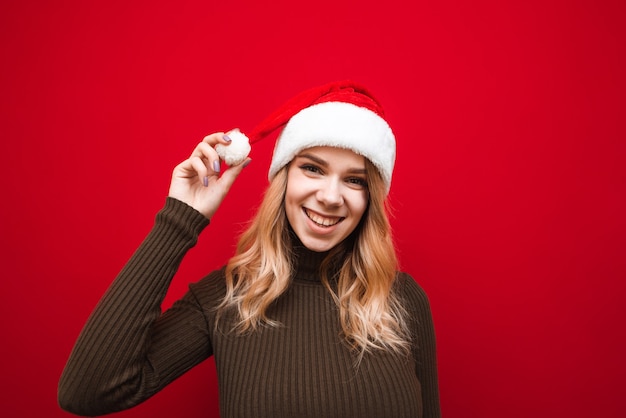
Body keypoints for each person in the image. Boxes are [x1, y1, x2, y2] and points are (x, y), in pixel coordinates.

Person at [58, 81, 441, 417]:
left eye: (354, 179)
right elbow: (88, 391)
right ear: (283, 176)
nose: (330, 196)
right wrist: (180, 218)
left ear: (370, 198)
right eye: (313, 168)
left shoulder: (403, 301)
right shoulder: (228, 298)